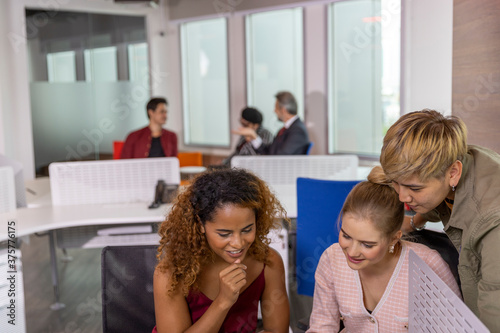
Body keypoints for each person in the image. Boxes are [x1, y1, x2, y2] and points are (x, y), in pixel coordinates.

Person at [379, 109, 500, 331]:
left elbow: (494, 316)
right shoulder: (454, 166)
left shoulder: (493, 222)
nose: (402, 197)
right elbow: (438, 200)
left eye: (414, 188)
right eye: (396, 183)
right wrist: (415, 221)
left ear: (453, 172)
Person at [307, 166, 461, 332]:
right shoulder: (332, 259)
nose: (351, 252)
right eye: (346, 236)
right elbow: (322, 326)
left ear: (394, 238)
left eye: (367, 244)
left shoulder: (427, 265)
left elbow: (454, 328)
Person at [153, 168, 290, 333]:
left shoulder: (268, 262)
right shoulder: (171, 274)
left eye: (247, 230)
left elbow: (276, 330)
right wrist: (223, 301)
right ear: (200, 224)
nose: (238, 243)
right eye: (224, 234)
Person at [234, 91, 310, 155]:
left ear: (283, 110)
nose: (274, 111)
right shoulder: (287, 129)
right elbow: (269, 151)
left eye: (276, 108)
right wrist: (254, 137)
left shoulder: (298, 131)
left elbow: (280, 156)